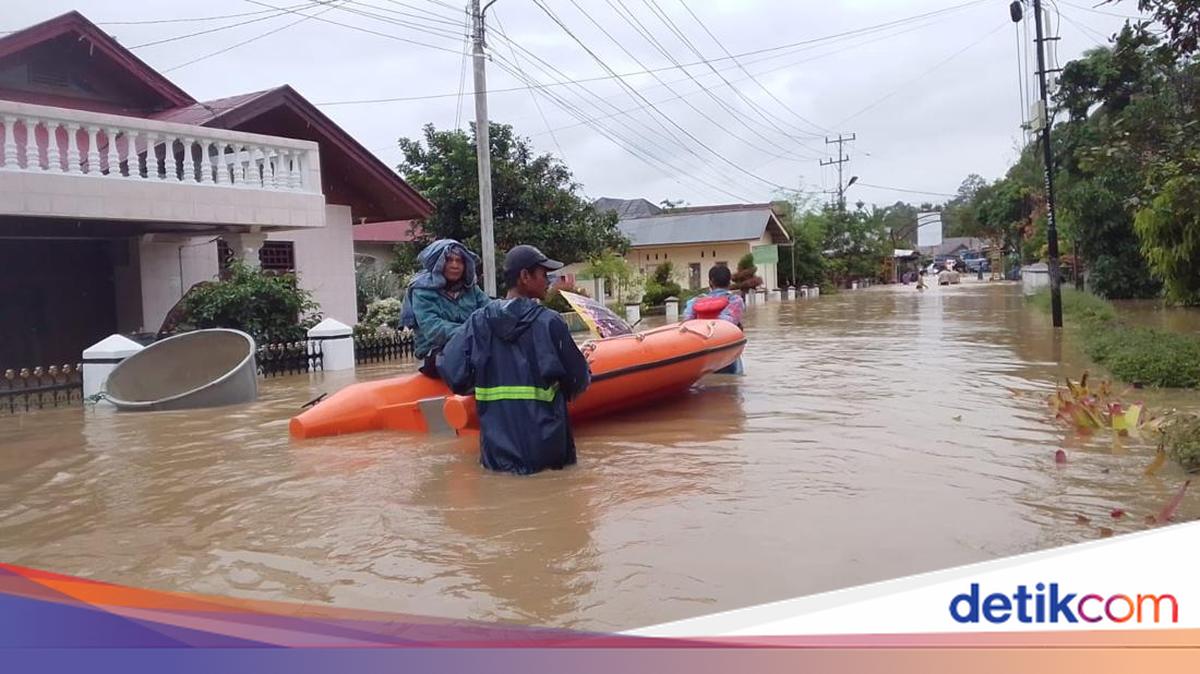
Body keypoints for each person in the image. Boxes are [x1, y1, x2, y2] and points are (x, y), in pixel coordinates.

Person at [440, 245, 591, 475]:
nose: (548, 280)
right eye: (543, 274)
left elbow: (452, 372)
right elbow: (578, 382)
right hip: (546, 454)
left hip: (496, 455)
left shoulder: (478, 322)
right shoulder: (550, 323)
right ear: (524, 276)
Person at [400, 239, 492, 378]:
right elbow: (434, 329)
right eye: (449, 260)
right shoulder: (422, 291)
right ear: (439, 263)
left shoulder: (471, 289)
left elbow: (490, 312)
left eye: (459, 261)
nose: (455, 265)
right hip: (435, 354)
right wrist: (472, 332)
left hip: (470, 348)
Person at [683, 265, 745, 374]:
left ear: (710, 282)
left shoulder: (694, 301)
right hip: (726, 352)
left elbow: (686, 324)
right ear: (729, 282)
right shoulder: (735, 300)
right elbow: (727, 324)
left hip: (700, 354)